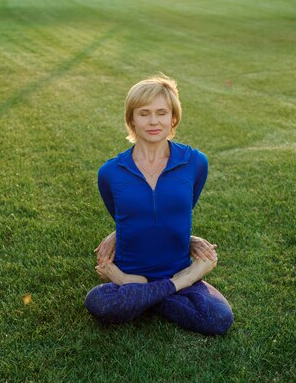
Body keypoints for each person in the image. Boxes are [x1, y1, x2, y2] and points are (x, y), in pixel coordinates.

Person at [84, 75, 234, 335]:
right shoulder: (110, 172)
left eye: (162, 113)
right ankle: (167, 291)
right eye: (144, 114)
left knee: (219, 318)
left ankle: (140, 294)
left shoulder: (195, 163)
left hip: (171, 270)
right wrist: (188, 277)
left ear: (173, 118)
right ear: (131, 120)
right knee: (97, 302)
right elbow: (123, 215)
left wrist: (185, 247)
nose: (154, 121)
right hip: (133, 270)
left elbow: (178, 211)